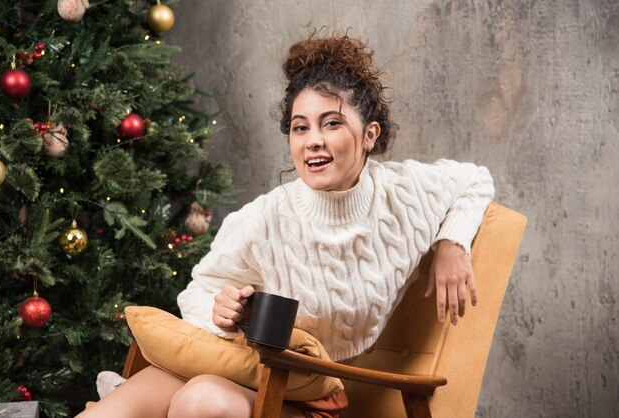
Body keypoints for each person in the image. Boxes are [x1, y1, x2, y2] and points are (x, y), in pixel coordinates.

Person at [77, 31, 494, 418]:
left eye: (331, 123)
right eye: (300, 128)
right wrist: (221, 310)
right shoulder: (265, 217)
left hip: (300, 394)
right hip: (236, 366)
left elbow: (475, 180)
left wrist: (451, 243)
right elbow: (199, 292)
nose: (313, 140)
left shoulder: (405, 194)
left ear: (370, 134)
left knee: (201, 400)